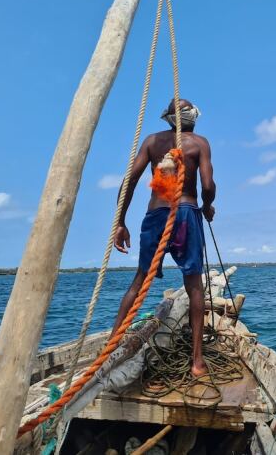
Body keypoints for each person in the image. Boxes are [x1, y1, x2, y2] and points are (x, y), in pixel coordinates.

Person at [112, 98, 215, 377]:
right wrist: (207, 206)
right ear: (192, 117)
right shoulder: (200, 143)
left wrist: (120, 222)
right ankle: (197, 362)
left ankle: (110, 345)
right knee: (194, 285)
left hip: (156, 214)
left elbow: (129, 181)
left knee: (139, 281)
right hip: (186, 214)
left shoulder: (152, 142)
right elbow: (207, 186)